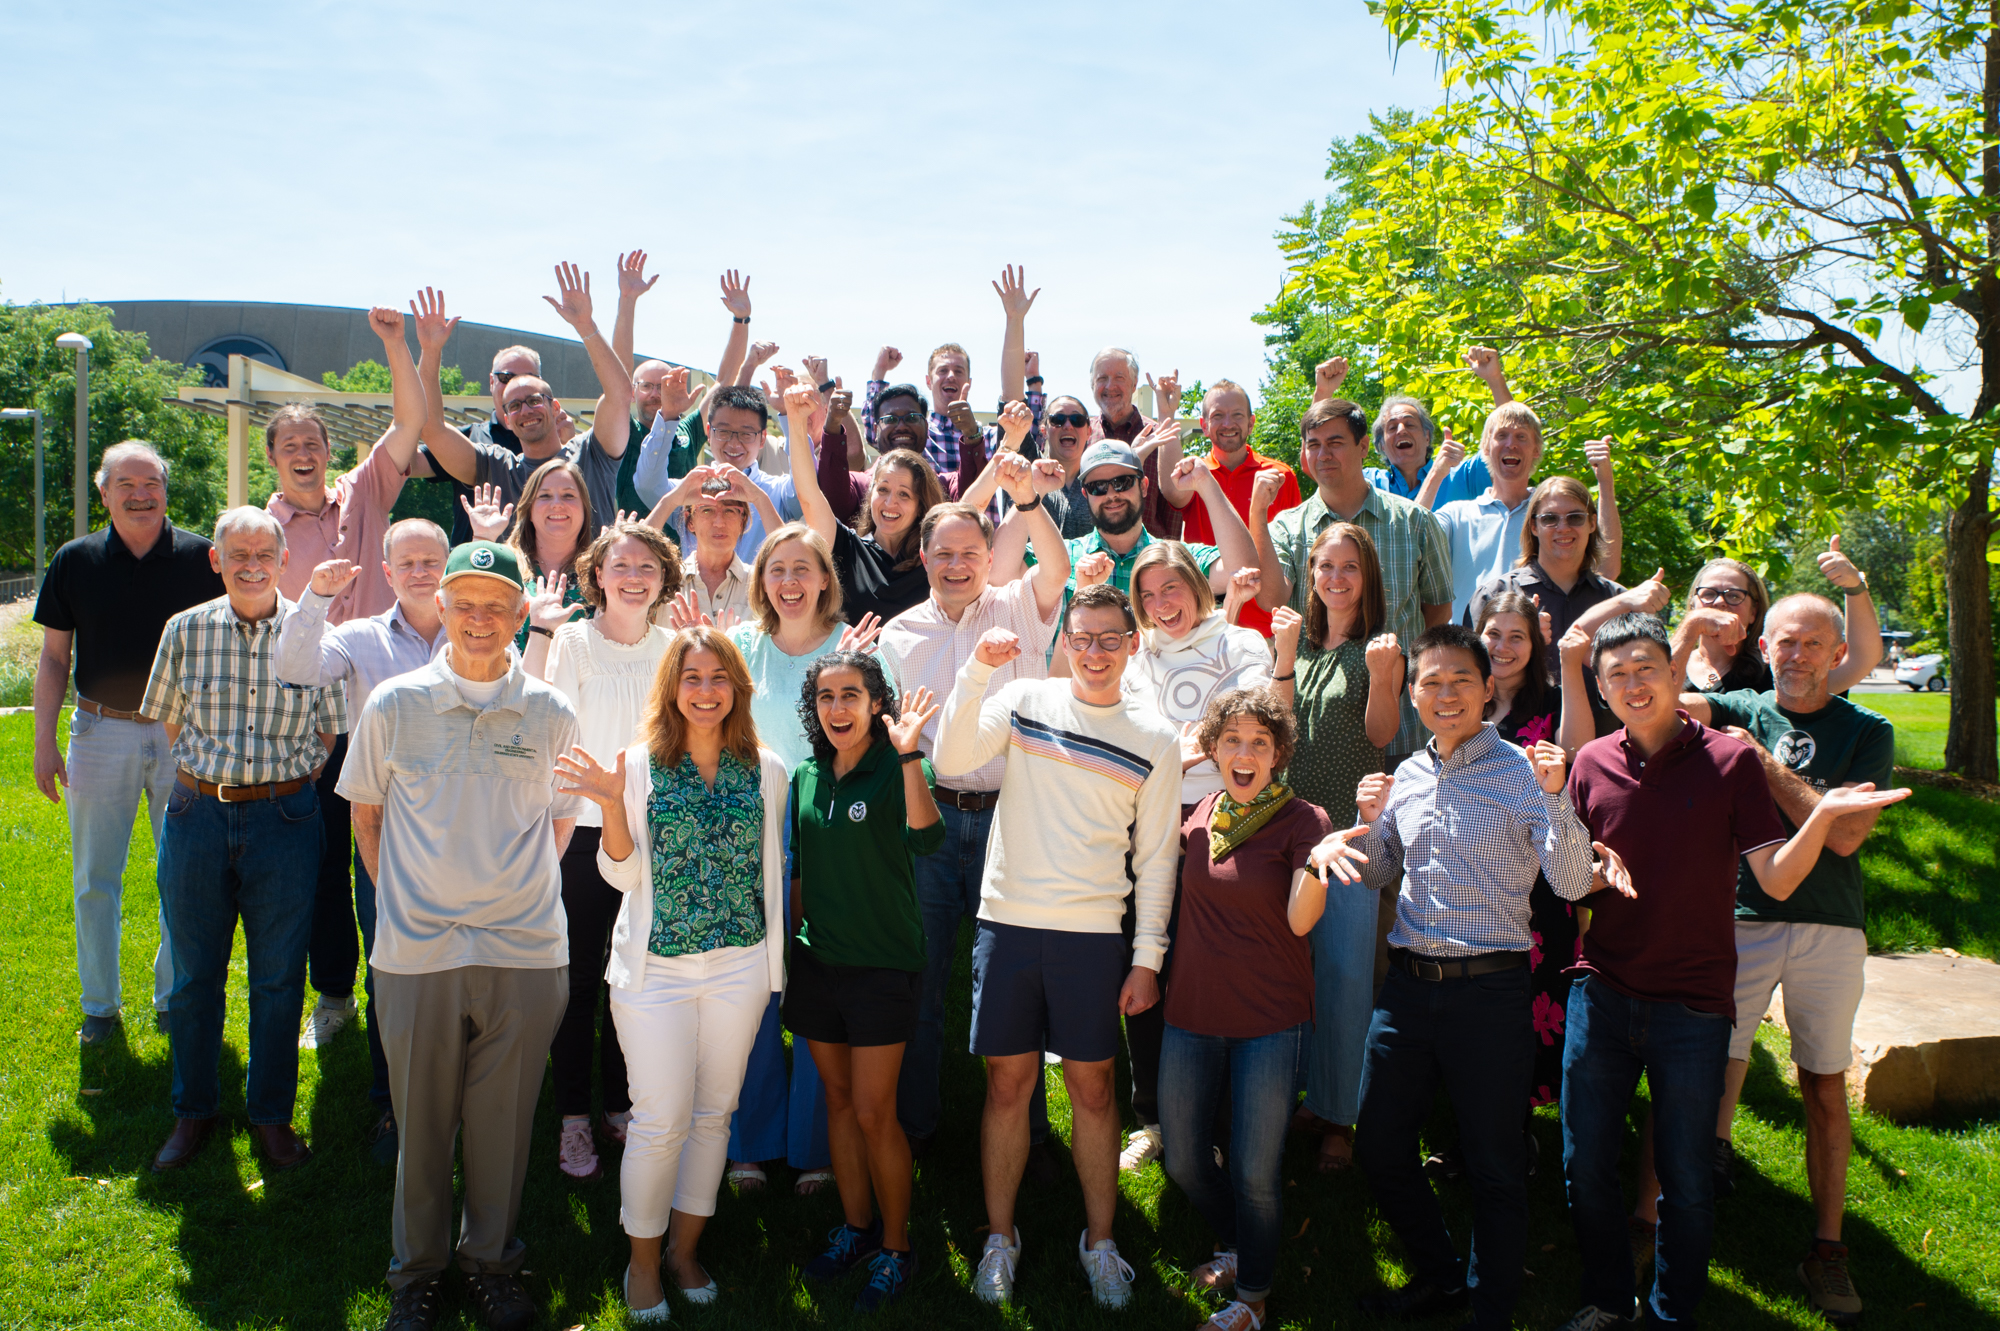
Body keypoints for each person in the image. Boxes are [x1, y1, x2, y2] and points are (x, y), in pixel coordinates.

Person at [1555, 613, 1909, 1331]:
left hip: (1693, 1003)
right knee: (1585, 1168)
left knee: (1687, 1179)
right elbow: (1568, 881)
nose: (1632, 683)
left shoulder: (1731, 760)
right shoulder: (1590, 762)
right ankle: (1607, 1300)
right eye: (1615, 673)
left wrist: (1822, 817)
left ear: (1673, 671)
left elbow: (1775, 880)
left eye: (1646, 667)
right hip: (1605, 990)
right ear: (1600, 685)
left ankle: (1671, 1313)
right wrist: (1589, 864)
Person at [1308, 625, 1617, 1330]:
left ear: (1486, 689)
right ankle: (1444, 1276)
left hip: (1489, 990)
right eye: (1430, 682)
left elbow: (1572, 882)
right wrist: (1369, 822)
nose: (1445, 694)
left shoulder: (1521, 771)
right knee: (1382, 1144)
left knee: (1494, 1164)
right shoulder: (1407, 772)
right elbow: (1384, 871)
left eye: (1460, 681)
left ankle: (1490, 1309)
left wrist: (1557, 798)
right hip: (1410, 991)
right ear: (1412, 692)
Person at [338, 540, 580, 1331]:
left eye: (496, 606)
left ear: (520, 616)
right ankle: (417, 1273)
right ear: (441, 607)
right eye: (464, 603)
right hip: (417, 951)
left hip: (524, 950)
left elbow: (561, 818)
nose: (480, 619)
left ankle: (492, 1262)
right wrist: (412, 901)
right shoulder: (394, 704)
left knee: (504, 1124)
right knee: (422, 1121)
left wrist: (509, 892)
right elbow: (366, 818)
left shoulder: (550, 711)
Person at [934, 583, 1181, 1309]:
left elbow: (1157, 859)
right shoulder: (1028, 701)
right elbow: (950, 756)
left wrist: (1148, 957)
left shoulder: (1156, 738)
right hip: (1007, 923)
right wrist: (977, 669)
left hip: (1094, 935)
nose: (1095, 651)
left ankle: (1100, 1242)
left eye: (1110, 637)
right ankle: (1000, 1239)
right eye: (1082, 637)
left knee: (1094, 1090)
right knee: (1008, 1087)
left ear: (1131, 645)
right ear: (1063, 642)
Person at [555, 626, 790, 1322]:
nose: (707, 690)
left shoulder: (766, 766)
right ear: (672, 687)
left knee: (714, 1113)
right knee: (659, 1120)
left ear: (738, 688)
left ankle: (687, 1249)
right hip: (655, 968)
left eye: (719, 678)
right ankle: (643, 1261)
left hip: (738, 966)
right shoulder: (637, 763)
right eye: (692, 677)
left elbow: (767, 873)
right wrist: (607, 803)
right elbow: (620, 871)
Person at [1674, 594, 1896, 1323]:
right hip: (1740, 918)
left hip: (1831, 926)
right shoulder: (1739, 699)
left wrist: (1758, 760)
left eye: (1813, 644)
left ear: (1839, 654)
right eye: (1785, 643)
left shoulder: (1868, 729)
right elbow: (1659, 703)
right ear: (1763, 647)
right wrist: (1686, 633)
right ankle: (1681, 1225)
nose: (1796, 656)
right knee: (1711, 1067)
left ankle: (1826, 1248)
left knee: (1824, 1086)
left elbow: (1841, 837)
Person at [138, 507, 348, 1173]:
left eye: (265, 552)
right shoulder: (184, 630)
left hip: (285, 820)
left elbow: (326, 738)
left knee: (280, 977)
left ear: (284, 561)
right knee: (195, 974)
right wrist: (214, 781)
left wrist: (271, 786)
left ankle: (270, 1116)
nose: (252, 563)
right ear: (217, 560)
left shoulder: (316, 635)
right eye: (239, 553)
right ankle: (193, 1110)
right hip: (197, 814)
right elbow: (170, 724)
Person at [668, 519, 865, 1195]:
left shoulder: (855, 647)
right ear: (760, 580)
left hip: (831, 835)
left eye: (802, 569)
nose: (788, 581)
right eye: (776, 569)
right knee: (746, 986)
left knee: (817, 990)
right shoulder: (740, 646)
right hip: (746, 833)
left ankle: (814, 1144)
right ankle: (749, 1138)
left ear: (824, 579)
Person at [875, 487, 1068, 1165]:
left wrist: (1033, 498)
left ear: (990, 556)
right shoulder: (898, 637)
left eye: (970, 552)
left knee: (1014, 981)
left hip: (1007, 821)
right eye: (944, 552)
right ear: (924, 556)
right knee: (922, 980)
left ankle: (1033, 1136)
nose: (957, 564)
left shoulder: (1020, 605)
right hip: (928, 827)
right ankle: (916, 1127)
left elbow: (1056, 564)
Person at [264, 308, 427, 1052]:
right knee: (326, 864)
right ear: (273, 459)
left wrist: (397, 343)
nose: (303, 451)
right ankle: (333, 994)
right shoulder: (258, 531)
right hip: (304, 720)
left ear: (329, 452)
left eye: (313, 441)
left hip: (378, 707)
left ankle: (405, 976)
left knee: (398, 851)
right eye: (290, 444)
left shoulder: (363, 495)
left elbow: (409, 417)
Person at [274, 518, 452, 1162]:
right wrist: (313, 599)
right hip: (385, 826)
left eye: (430, 559)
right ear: (386, 571)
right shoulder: (357, 638)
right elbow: (294, 667)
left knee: (462, 967)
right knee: (390, 966)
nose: (419, 572)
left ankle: (457, 1099)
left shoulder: (478, 632)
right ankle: (393, 1103)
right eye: (406, 562)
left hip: (465, 829)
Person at [33, 441, 223, 1043]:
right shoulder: (74, 560)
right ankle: (99, 1009)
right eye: (126, 484)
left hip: (182, 735)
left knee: (185, 877)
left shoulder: (203, 559)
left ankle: (174, 1000)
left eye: (151, 483)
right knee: (95, 878)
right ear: (104, 492)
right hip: (99, 731)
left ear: (166, 489)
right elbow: (54, 658)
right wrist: (44, 742)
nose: (141, 495)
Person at [1161, 687, 1333, 1331]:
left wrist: (1315, 867)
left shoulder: (1303, 821)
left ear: (1279, 754)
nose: (1244, 752)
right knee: (1182, 1159)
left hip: (1271, 1022)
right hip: (1192, 1014)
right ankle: (1236, 1241)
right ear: (1212, 750)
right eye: (1231, 740)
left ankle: (1254, 1299)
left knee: (1256, 1171)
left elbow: (1298, 923)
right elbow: (1136, 827)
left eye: (1259, 742)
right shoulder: (1202, 809)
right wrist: (1171, 767)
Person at [786, 652, 944, 1312]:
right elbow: (801, 872)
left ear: (878, 703)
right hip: (818, 963)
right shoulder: (804, 773)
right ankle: (855, 1228)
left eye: (852, 694)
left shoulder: (900, 765)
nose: (838, 708)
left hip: (882, 964)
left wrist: (909, 757)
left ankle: (897, 1247)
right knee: (839, 1101)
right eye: (826, 696)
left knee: (878, 1111)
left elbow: (927, 838)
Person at [1112, 540, 1272, 1170]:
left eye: (1169, 588)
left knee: (1217, 973)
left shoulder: (1240, 643)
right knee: (1147, 964)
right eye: (1147, 595)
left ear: (1196, 586)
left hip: (1225, 822)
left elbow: (1247, 721)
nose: (1159, 605)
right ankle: (1153, 1116)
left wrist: (1180, 757)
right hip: (1148, 827)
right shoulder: (1135, 660)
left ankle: (1225, 1121)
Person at [541, 520, 682, 1184]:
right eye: (620, 565)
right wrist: (558, 828)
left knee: (635, 975)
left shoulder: (674, 648)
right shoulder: (572, 641)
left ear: (663, 579)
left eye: (647, 566)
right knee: (575, 980)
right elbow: (551, 736)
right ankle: (573, 1115)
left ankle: (623, 1104)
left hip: (648, 835)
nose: (633, 576)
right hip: (579, 830)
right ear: (597, 574)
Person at [1272, 523, 1404, 1171]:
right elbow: (1279, 731)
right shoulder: (1295, 643)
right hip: (1294, 828)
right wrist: (1284, 654)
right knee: (1297, 968)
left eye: (1349, 566)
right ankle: (1306, 1092)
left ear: (1367, 576)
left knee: (1348, 974)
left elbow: (1382, 732)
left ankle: (1340, 1116)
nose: (1336, 578)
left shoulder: (1378, 649)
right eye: (1326, 565)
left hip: (1351, 831)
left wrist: (1383, 676)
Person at [1253, 397, 1452, 769]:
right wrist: (1258, 515)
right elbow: (1271, 600)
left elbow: (1437, 613)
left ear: (1363, 447)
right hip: (1317, 730)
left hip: (1404, 728)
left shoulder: (1414, 522)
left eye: (1335, 442)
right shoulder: (1286, 527)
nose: (1323, 454)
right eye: (1313, 444)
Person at [1474, 593, 1596, 1114]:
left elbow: (1577, 751)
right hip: (1474, 873)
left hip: (1539, 876)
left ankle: (1518, 1124)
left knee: (1529, 997)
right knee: (1476, 1003)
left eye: (1516, 636)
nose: (1502, 647)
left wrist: (1568, 666)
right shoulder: (1460, 697)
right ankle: (1473, 1115)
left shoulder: (1552, 699)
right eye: (1492, 635)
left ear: (1536, 641)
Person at [411, 266, 634, 537]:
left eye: (533, 400)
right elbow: (431, 429)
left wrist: (585, 325)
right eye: (514, 406)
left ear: (555, 406)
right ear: (507, 419)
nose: (525, 410)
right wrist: (430, 350)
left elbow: (620, 395)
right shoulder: (495, 467)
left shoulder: (591, 454)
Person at [1002, 441, 1259, 645]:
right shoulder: (1061, 557)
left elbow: (1243, 570)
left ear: (1144, 486)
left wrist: (1206, 484)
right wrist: (1031, 490)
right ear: (1085, 494)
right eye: (1098, 487)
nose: (1112, 494)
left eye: (1122, 482)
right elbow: (1000, 573)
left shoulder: (1177, 560)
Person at [1465, 475, 1663, 737]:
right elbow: (1467, 674)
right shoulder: (1497, 594)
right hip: (1514, 753)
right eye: (1549, 519)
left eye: (1575, 517)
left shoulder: (1619, 599)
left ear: (1592, 522)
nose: (1563, 527)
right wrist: (1519, 637)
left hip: (1610, 748)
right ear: (1533, 526)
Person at [785, 382, 959, 625]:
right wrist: (795, 420)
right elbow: (808, 494)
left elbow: (976, 500)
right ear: (870, 495)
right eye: (883, 490)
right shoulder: (846, 547)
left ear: (921, 505)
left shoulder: (932, 559)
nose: (890, 503)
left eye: (904, 495)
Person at [861, 264, 1040, 476]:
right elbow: (876, 429)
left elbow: (1028, 432)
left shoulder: (988, 437)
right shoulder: (917, 432)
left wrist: (1015, 321)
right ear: (928, 381)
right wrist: (878, 374)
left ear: (969, 382)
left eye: (959, 370)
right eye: (943, 371)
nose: (951, 376)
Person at [1157, 381, 1303, 637]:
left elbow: (1296, 556)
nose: (1228, 424)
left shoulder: (1280, 476)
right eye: (1218, 416)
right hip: (1206, 630)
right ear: (1204, 425)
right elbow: (1172, 491)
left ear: (1251, 422)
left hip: (1268, 631)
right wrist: (1167, 415)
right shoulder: (1195, 475)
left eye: (1237, 415)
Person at [1672, 540, 1881, 696]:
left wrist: (1854, 586)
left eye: (1735, 595)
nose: (1719, 602)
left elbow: (1861, 659)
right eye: (1708, 594)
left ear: (1754, 612)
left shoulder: (1778, 667)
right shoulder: (1666, 659)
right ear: (1692, 604)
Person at [638, 384, 792, 561]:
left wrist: (790, 417)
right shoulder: (688, 490)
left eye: (746, 434)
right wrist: (668, 416)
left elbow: (804, 491)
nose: (734, 443)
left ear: (762, 437)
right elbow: (648, 486)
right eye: (724, 432)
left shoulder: (778, 491)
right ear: (708, 432)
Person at [464, 459, 596, 659]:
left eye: (568, 495)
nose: (557, 504)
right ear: (529, 510)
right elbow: (465, 606)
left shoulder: (602, 571)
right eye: (545, 496)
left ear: (585, 509)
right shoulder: (504, 564)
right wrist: (483, 538)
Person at [441, 344, 538, 545]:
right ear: (491, 382)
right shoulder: (468, 438)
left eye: (527, 377)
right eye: (506, 377)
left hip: (539, 569)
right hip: (473, 566)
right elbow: (407, 461)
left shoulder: (562, 444)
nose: (517, 385)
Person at [1083, 347, 1183, 538]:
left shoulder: (1159, 435)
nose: (1110, 386)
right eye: (1102, 378)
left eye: (1119, 377)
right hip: (1093, 563)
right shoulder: (1081, 436)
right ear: (1092, 385)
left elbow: (1174, 506)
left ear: (1134, 384)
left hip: (1151, 560)